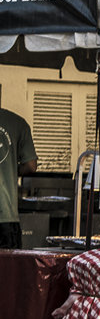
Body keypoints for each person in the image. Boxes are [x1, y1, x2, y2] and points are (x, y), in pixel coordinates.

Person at [0, 107, 37, 249]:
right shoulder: (18, 123)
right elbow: (31, 166)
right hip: (6, 217)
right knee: (9, 270)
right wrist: (11, 170)